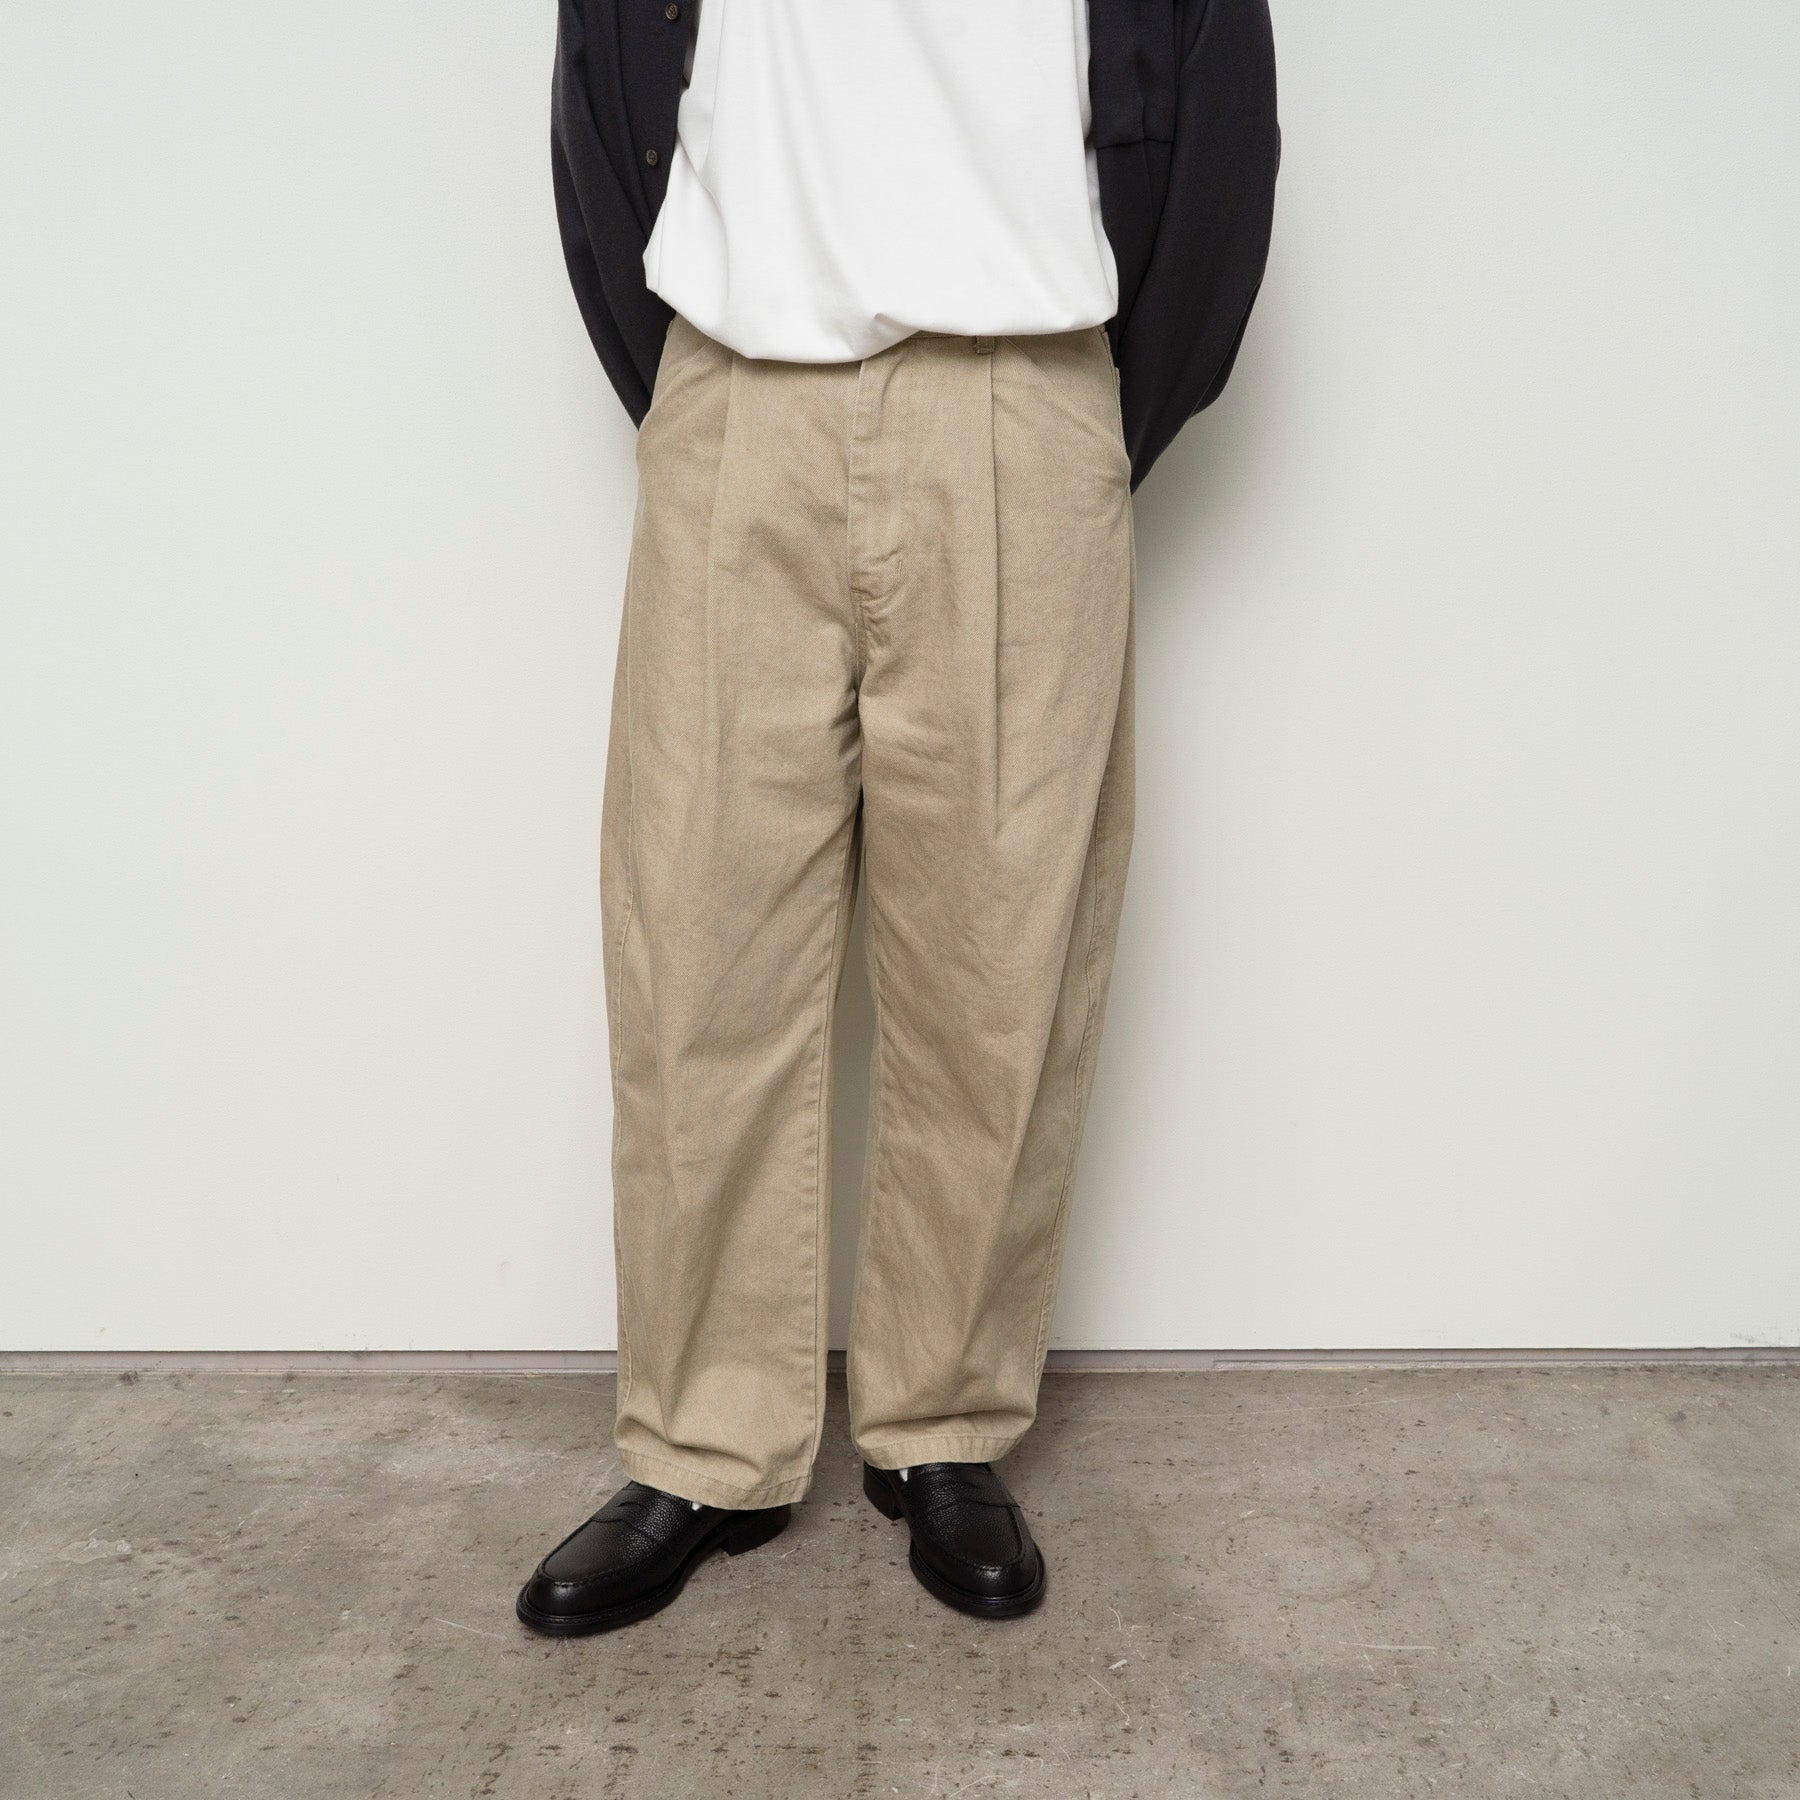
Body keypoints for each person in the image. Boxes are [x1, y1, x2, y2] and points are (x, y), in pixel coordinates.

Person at [517, 0, 1279, 1635]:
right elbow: (598, 92)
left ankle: (943, 1421)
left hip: (1020, 382)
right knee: (693, 941)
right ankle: (703, 1444)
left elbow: (1221, 129)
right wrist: (694, 390)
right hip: (737, 383)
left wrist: (1079, 438)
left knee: (999, 954)